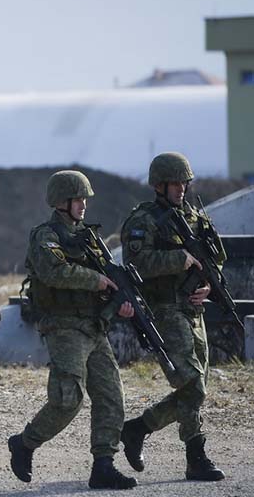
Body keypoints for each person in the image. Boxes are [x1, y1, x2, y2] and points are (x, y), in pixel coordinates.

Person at [7, 170, 137, 489]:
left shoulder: (89, 238)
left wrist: (118, 303)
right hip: (64, 325)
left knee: (111, 397)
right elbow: (54, 271)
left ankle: (103, 465)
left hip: (94, 326)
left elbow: (105, 281)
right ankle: (24, 444)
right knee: (68, 399)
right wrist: (97, 281)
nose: (83, 205)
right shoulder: (46, 235)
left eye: (84, 199)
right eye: (78, 199)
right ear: (61, 202)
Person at [119, 152, 226, 482]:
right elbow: (135, 263)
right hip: (164, 310)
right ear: (159, 185)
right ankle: (195, 454)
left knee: (198, 386)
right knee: (192, 384)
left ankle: (138, 429)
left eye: (185, 182)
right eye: (175, 183)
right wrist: (177, 259)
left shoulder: (193, 216)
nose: (181, 188)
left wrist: (208, 284)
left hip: (194, 309)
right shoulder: (143, 220)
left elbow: (214, 258)